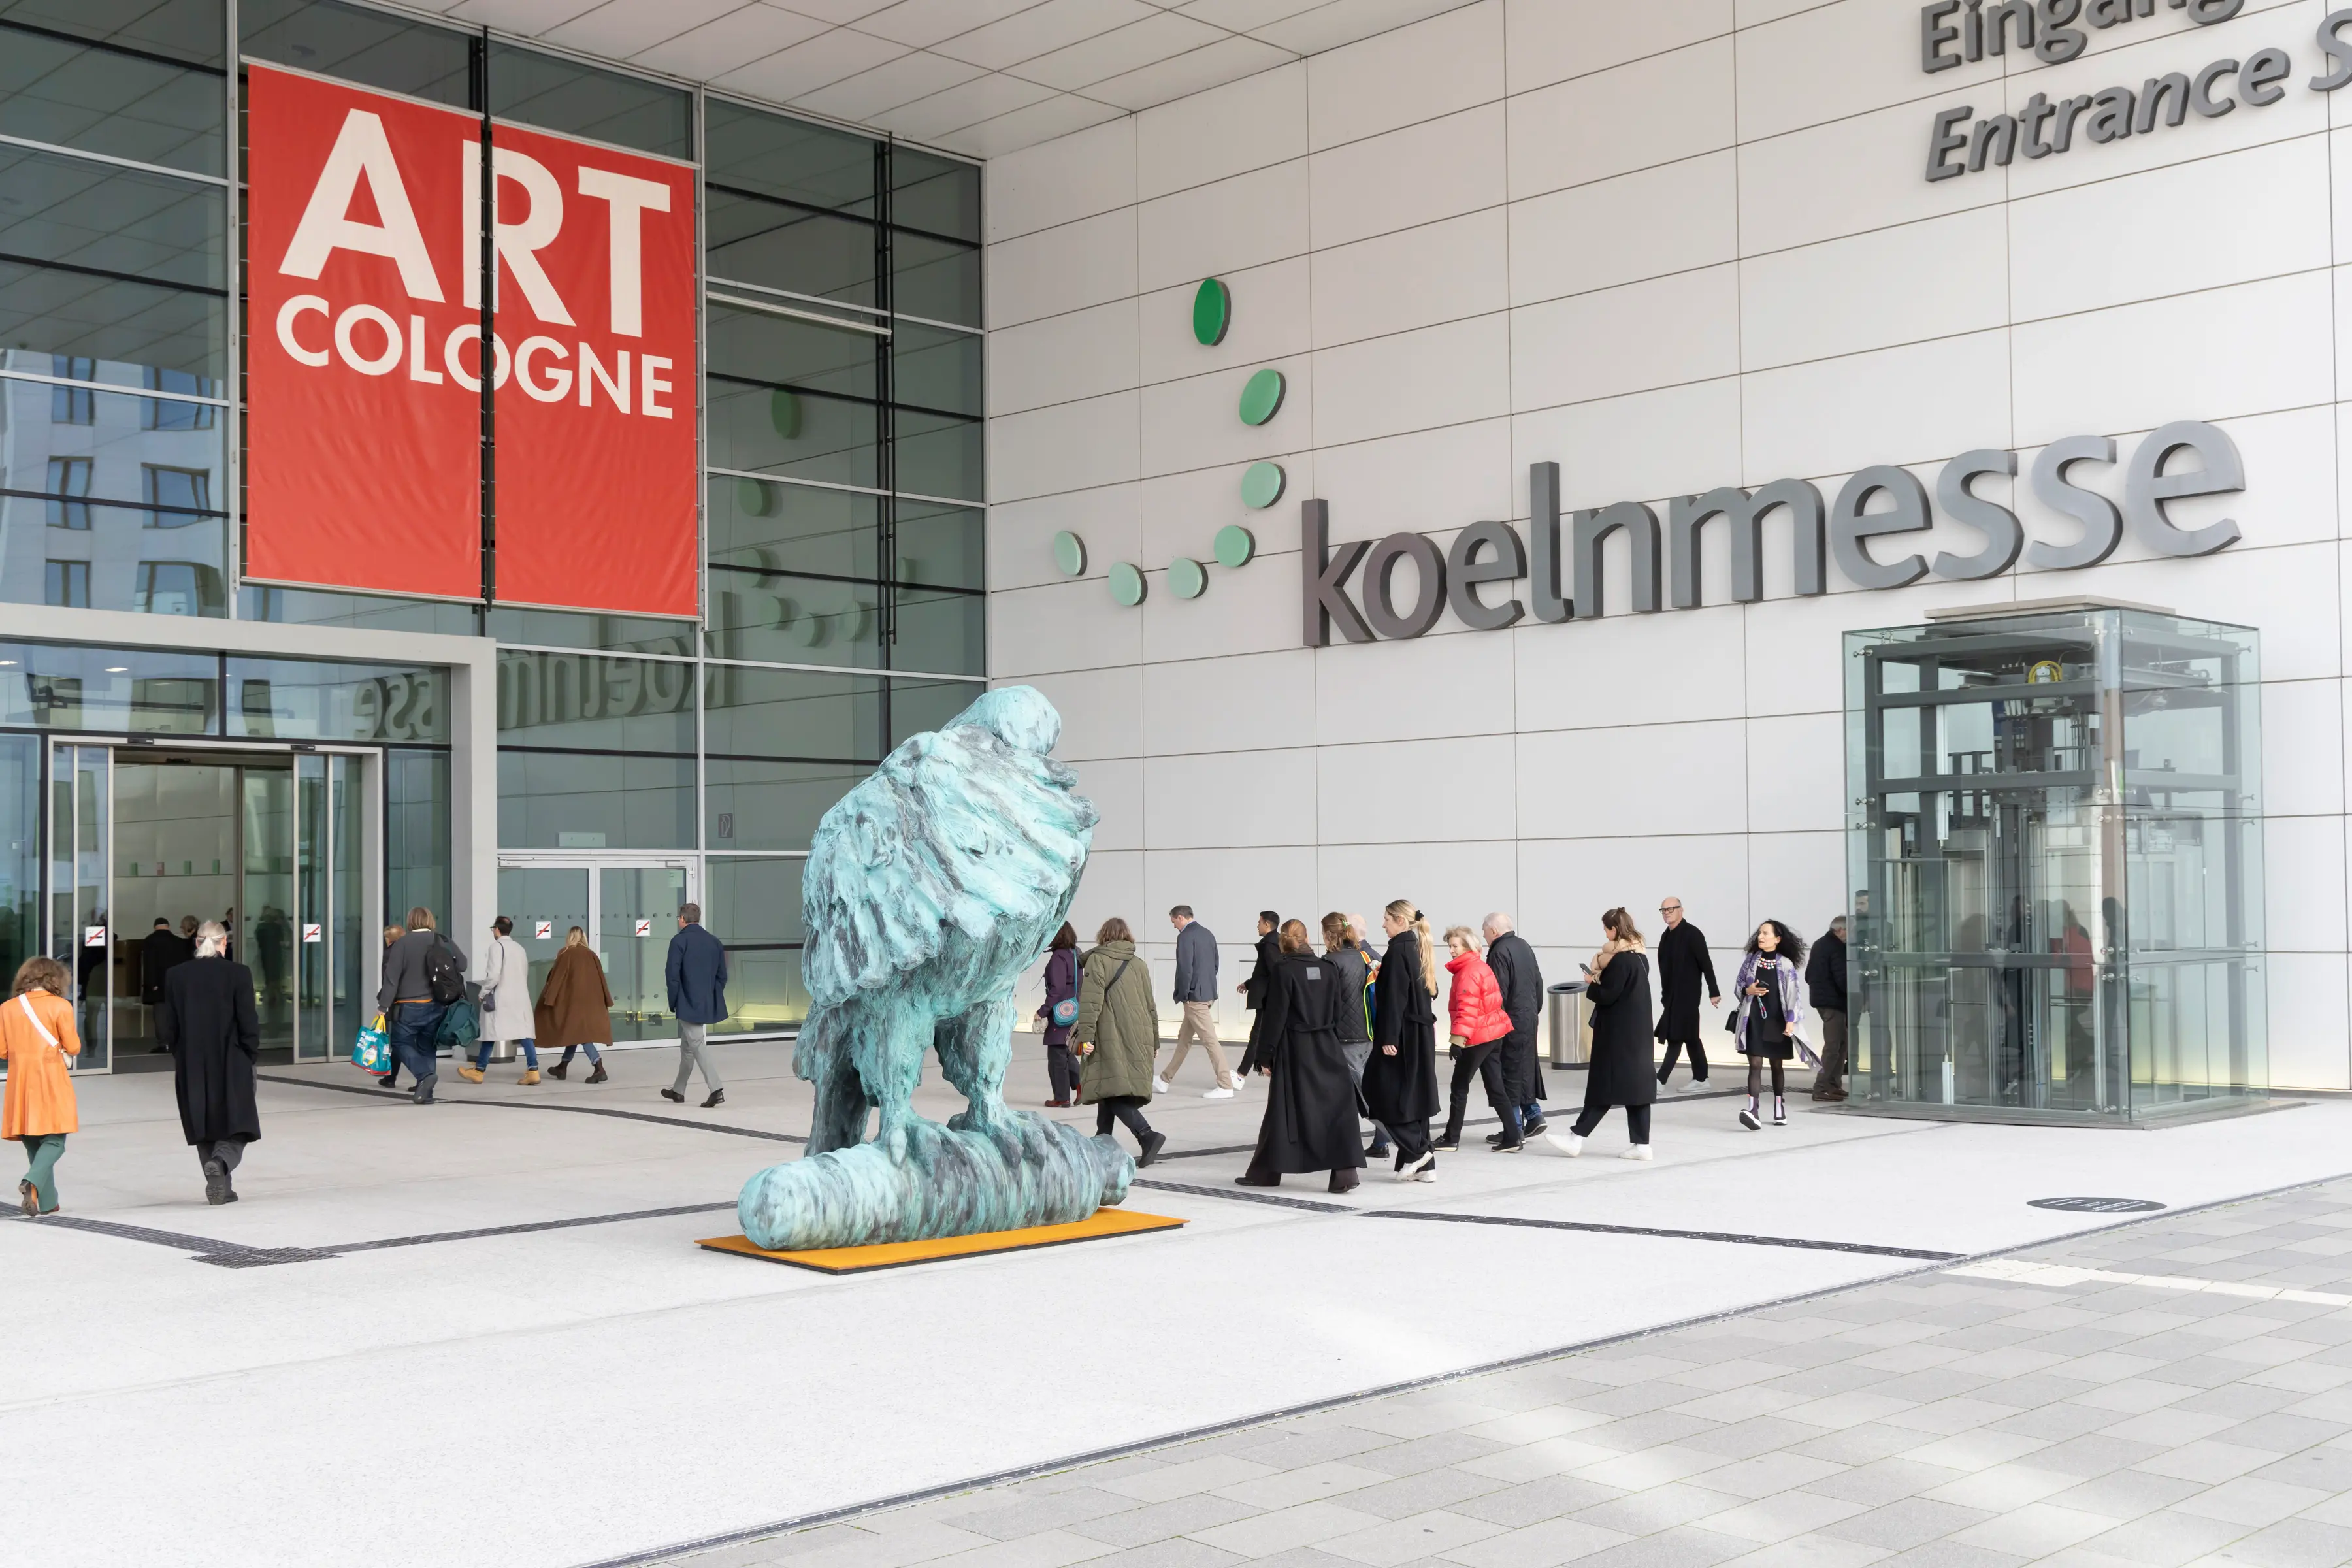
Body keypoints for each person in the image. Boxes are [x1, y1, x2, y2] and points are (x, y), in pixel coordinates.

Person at [1238, 919, 1365, 1194]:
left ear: (1284, 940)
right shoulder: (1327, 968)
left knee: (1283, 1110)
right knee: (1336, 1109)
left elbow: (1276, 1017)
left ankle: (1267, 1172)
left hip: (1295, 1048)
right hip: (1328, 1045)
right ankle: (1344, 1173)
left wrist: (1265, 1056)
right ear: (1307, 938)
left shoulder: (1284, 970)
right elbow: (1337, 1011)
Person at [160, 921, 262, 1203]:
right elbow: (248, 1019)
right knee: (239, 1121)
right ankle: (222, 1164)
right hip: (232, 1057)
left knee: (202, 1121)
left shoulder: (176, 976)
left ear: (196, 943)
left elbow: (170, 1024)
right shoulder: (238, 973)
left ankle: (222, 1186)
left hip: (192, 1059)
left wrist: (179, 1051)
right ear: (224, 943)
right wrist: (250, 1052)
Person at [1552, 908, 1657, 1159]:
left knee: (1603, 1087)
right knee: (1636, 1091)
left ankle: (1575, 1138)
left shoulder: (1621, 961)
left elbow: (1608, 995)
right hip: (1637, 1036)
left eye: (1606, 929)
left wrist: (1591, 984)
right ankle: (1642, 1145)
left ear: (1615, 929)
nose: (1605, 934)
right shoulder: (1641, 958)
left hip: (1616, 1036)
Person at [1071, 917, 1165, 1167]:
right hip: (1138, 1035)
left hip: (1109, 1034)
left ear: (1103, 935)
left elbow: (1091, 1003)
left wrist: (1086, 1037)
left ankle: (1146, 1135)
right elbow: (1150, 1006)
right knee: (1108, 1086)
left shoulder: (1098, 960)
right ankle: (1104, 1142)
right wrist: (1155, 1040)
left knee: (1111, 1091)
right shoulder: (1139, 964)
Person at [1364, 900, 1441, 1181]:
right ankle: (1425, 1168)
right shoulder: (1419, 946)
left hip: (1403, 1036)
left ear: (1399, 920)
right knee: (1416, 1098)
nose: (1383, 924)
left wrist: (1388, 1037)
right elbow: (1430, 992)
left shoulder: (1397, 949)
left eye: (1386, 919)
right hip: (1420, 1034)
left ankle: (1418, 1151)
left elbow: (1395, 999)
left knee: (1380, 1092)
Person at [3, 956, 79, 1215]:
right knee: (56, 1140)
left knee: (34, 1143)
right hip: (50, 1079)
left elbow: (3, 1051)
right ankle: (31, 1181)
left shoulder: (7, 1008)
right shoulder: (60, 1006)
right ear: (55, 979)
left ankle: (48, 1202)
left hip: (20, 1082)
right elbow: (74, 1047)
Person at [1435, 925, 1520, 1154]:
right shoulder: (1480, 967)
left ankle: (1451, 1139)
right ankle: (1513, 1137)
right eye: (1450, 946)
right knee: (1495, 1087)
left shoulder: (1468, 972)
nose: (1451, 951)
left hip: (1477, 1037)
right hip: (1492, 1033)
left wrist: (1457, 1040)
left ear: (1468, 946)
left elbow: (1467, 1009)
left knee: (1459, 1087)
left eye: (1455, 946)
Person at [378, 907, 462, 1104]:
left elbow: (392, 979)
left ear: (411, 921)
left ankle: (424, 1076)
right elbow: (463, 965)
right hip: (437, 1004)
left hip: (409, 1005)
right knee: (427, 1046)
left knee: (400, 1043)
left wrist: (383, 1006)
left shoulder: (403, 943)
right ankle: (427, 1093)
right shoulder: (442, 940)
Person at [1733, 919, 1810, 1131]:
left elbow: (1794, 994)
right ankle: (1753, 1111)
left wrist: (1791, 1021)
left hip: (1776, 1020)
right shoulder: (1751, 960)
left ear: (1777, 939)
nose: (1761, 937)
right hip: (1754, 1019)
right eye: (1760, 933)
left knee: (1777, 1065)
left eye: (1766, 933)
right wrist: (1747, 991)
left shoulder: (1784, 963)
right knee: (1755, 1064)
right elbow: (1739, 985)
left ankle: (1779, 1106)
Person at [1319, 913, 1384, 1154]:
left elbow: (1327, 1003)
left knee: (1363, 1101)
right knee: (1366, 1094)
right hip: (1368, 1034)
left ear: (1328, 935)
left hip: (1343, 1037)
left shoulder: (1330, 961)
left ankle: (1414, 1146)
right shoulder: (1366, 957)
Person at [1482, 912, 1547, 1139]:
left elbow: (1497, 992)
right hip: (1529, 1017)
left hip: (1510, 1020)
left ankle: (1514, 1128)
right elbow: (1538, 983)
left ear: (1494, 931)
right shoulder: (1523, 945)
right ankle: (1534, 1114)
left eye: (1484, 932)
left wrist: (1494, 1022)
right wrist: (1533, 1011)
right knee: (1525, 1067)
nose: (1484, 936)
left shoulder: (1498, 952)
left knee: (1507, 1071)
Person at [1162, 905, 1238, 1097]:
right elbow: (1215, 964)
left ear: (1180, 918)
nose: (1174, 927)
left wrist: (1184, 994)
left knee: (1210, 1040)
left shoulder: (1185, 936)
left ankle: (1225, 1085)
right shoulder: (1208, 934)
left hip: (1194, 997)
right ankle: (1164, 1079)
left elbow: (1185, 968)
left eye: (1174, 922)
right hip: (1207, 994)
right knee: (1184, 1039)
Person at [663, 901, 728, 1108]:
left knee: (697, 1045)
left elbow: (672, 976)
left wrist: (674, 1001)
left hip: (687, 1001)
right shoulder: (714, 941)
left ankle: (716, 1089)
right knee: (688, 1048)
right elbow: (722, 976)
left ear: (682, 919)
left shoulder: (679, 941)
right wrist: (711, 995)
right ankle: (678, 1091)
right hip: (706, 1001)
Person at [1654, 896, 1722, 1092]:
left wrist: (1714, 990)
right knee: (1691, 1037)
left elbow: (1706, 964)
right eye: (1664, 910)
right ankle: (1701, 1078)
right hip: (1672, 997)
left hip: (1688, 995)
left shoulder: (1692, 934)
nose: (1667, 913)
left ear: (1681, 910)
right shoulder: (1666, 936)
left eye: (1671, 909)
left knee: (1676, 1036)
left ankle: (1660, 1080)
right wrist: (1665, 995)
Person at [465, 917, 540, 1086]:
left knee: (490, 1032)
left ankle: (479, 1071)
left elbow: (493, 976)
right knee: (525, 1033)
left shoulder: (496, 947)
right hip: (519, 997)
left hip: (501, 998)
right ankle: (533, 1070)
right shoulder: (520, 948)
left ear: (497, 930)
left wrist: (483, 992)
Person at [539, 928, 613, 1083]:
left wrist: (549, 998)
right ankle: (563, 1066)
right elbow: (601, 979)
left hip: (574, 1004)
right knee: (574, 1032)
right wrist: (606, 999)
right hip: (592, 1003)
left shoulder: (566, 953)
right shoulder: (591, 955)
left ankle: (599, 1067)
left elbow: (556, 978)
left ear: (570, 937)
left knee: (582, 1034)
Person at [1347, 913, 1390, 1159]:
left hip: (1358, 1035)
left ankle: (1395, 1137)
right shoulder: (1376, 957)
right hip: (1375, 1030)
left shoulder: (1354, 959)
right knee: (1372, 1087)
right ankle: (1380, 1143)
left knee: (1362, 1091)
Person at [1035, 922, 1082, 1107]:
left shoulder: (1059, 957)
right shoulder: (1076, 953)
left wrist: (1043, 1011)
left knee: (1056, 1056)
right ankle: (1080, 1085)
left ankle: (1062, 1098)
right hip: (1074, 1008)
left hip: (1060, 1012)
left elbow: (1057, 988)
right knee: (1067, 1052)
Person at [1807, 915, 1849, 1102]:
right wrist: (1856, 995)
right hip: (1834, 1003)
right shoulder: (1837, 947)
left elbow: (1809, 975)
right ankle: (1822, 1087)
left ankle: (1833, 1085)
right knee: (1833, 1046)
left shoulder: (1820, 944)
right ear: (1840, 930)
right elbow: (1842, 978)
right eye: (1850, 931)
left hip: (1824, 1001)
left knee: (1841, 1044)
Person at [1235, 909, 1280, 1081]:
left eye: (1259, 923)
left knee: (1258, 1036)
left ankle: (1240, 1075)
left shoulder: (1268, 946)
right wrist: (1249, 984)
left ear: (1267, 924)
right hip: (1271, 998)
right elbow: (1264, 972)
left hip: (1269, 1000)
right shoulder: (1276, 942)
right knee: (1263, 1035)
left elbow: (1274, 972)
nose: (1257, 926)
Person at [140, 915, 191, 1053]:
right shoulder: (179, 942)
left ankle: (164, 1044)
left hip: (158, 985)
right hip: (177, 983)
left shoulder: (150, 941)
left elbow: (149, 964)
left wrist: (152, 983)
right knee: (176, 1013)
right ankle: (177, 1041)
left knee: (161, 1015)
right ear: (168, 926)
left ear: (155, 927)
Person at [373, 923, 408, 1089]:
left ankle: (391, 1077)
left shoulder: (391, 953)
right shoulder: (409, 950)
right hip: (412, 1001)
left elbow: (390, 981)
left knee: (396, 1042)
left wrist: (383, 1004)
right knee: (402, 1041)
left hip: (396, 1004)